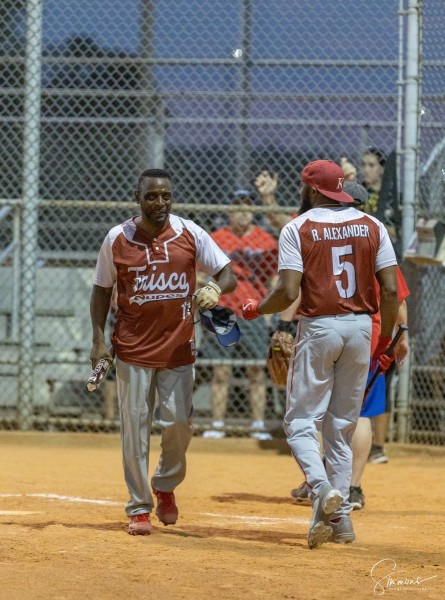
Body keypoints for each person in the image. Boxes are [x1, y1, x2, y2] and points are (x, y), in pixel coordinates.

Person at [242, 159, 399, 549]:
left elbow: (288, 292)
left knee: (299, 422)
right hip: (362, 327)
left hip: (320, 327)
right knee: (341, 427)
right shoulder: (373, 225)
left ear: (312, 190)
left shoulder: (299, 227)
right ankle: (341, 519)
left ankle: (321, 485)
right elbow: (392, 291)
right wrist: (386, 341)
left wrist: (256, 308)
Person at [90, 168, 237, 536]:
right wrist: (97, 341)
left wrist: (215, 290)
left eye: (166, 196)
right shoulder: (117, 239)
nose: (160, 203)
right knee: (135, 431)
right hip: (132, 349)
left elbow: (228, 273)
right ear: (137, 197)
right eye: (152, 196)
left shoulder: (190, 233)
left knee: (179, 425)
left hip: (178, 350)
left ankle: (165, 485)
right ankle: (139, 507)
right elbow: (101, 291)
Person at [200, 190, 278, 441]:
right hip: (222, 311)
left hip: (253, 310)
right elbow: (200, 272)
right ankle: (217, 423)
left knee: (256, 370)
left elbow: (275, 278)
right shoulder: (217, 238)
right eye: (237, 207)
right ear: (229, 212)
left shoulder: (265, 240)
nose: (243, 212)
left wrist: (269, 310)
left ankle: (257, 423)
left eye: (247, 207)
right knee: (220, 370)